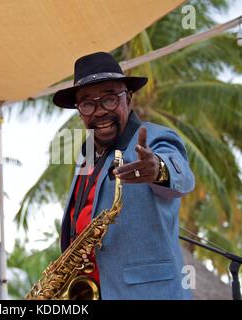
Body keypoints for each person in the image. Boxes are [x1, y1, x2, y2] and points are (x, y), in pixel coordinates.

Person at [53, 51, 195, 300]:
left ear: (127, 98)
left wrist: (158, 169)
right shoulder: (86, 152)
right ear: (79, 111)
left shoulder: (153, 137)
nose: (98, 111)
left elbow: (182, 176)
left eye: (109, 99)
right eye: (87, 103)